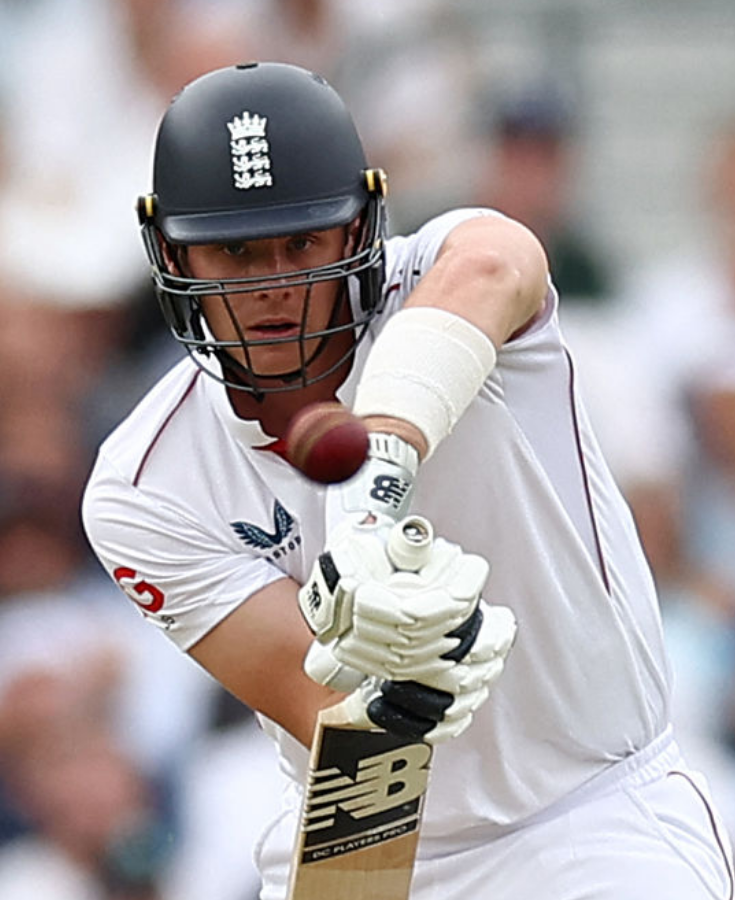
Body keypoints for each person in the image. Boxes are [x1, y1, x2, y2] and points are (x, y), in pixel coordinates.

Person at [81, 61, 733, 899]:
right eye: (236, 252)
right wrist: (401, 682)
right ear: (173, 254)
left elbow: (503, 262)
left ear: (360, 232)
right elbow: (317, 711)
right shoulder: (140, 487)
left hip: (596, 814)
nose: (274, 285)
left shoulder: (446, 270)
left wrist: (378, 473)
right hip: (373, 822)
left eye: (302, 241)